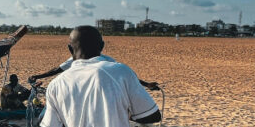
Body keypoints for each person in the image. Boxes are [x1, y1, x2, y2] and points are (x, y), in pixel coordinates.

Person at [30, 57, 160, 90]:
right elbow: (126, 75)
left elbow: (57, 70)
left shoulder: (76, 58)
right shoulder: (108, 59)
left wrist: (38, 76)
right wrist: (146, 84)